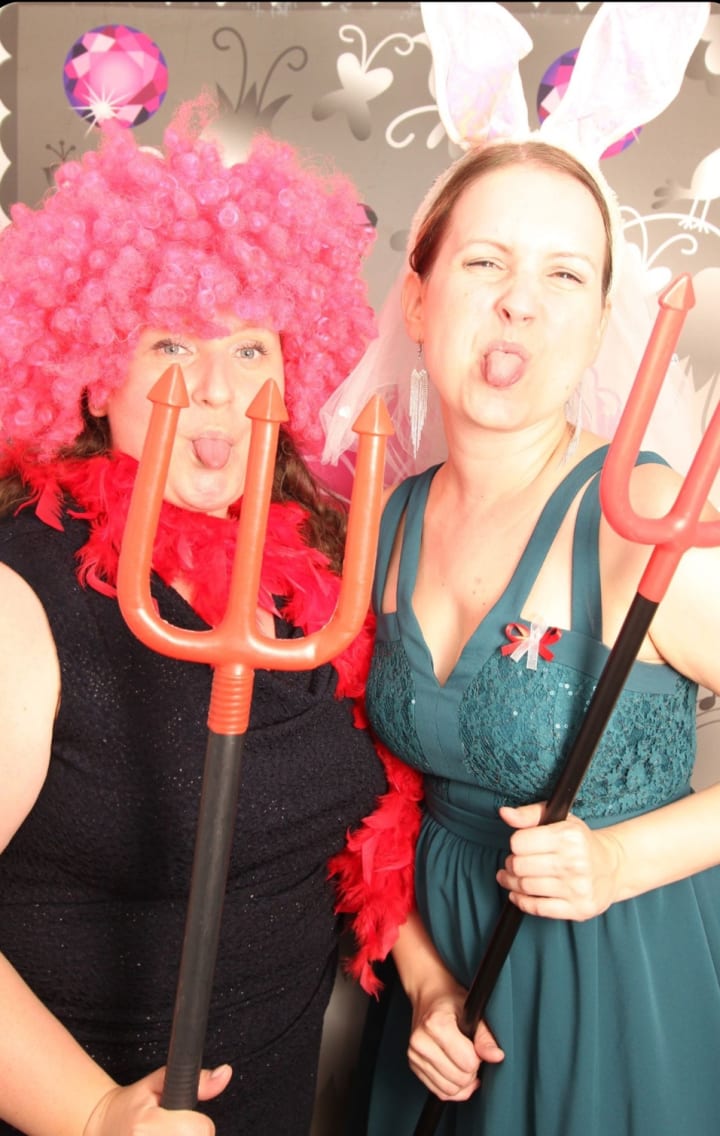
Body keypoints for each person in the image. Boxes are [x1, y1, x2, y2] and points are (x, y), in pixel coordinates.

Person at [322, 4, 720, 1133]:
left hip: (621, 981)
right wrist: (421, 978)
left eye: (564, 274)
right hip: (443, 1007)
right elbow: (367, 802)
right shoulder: (384, 521)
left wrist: (625, 860)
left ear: (599, 325)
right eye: (485, 260)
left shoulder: (641, 520)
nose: (519, 300)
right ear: (418, 294)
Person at [0, 92, 397, 1136]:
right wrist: (93, 1113)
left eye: (252, 348)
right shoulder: (20, 594)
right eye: (172, 344)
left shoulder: (314, 575)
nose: (220, 388)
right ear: (94, 378)